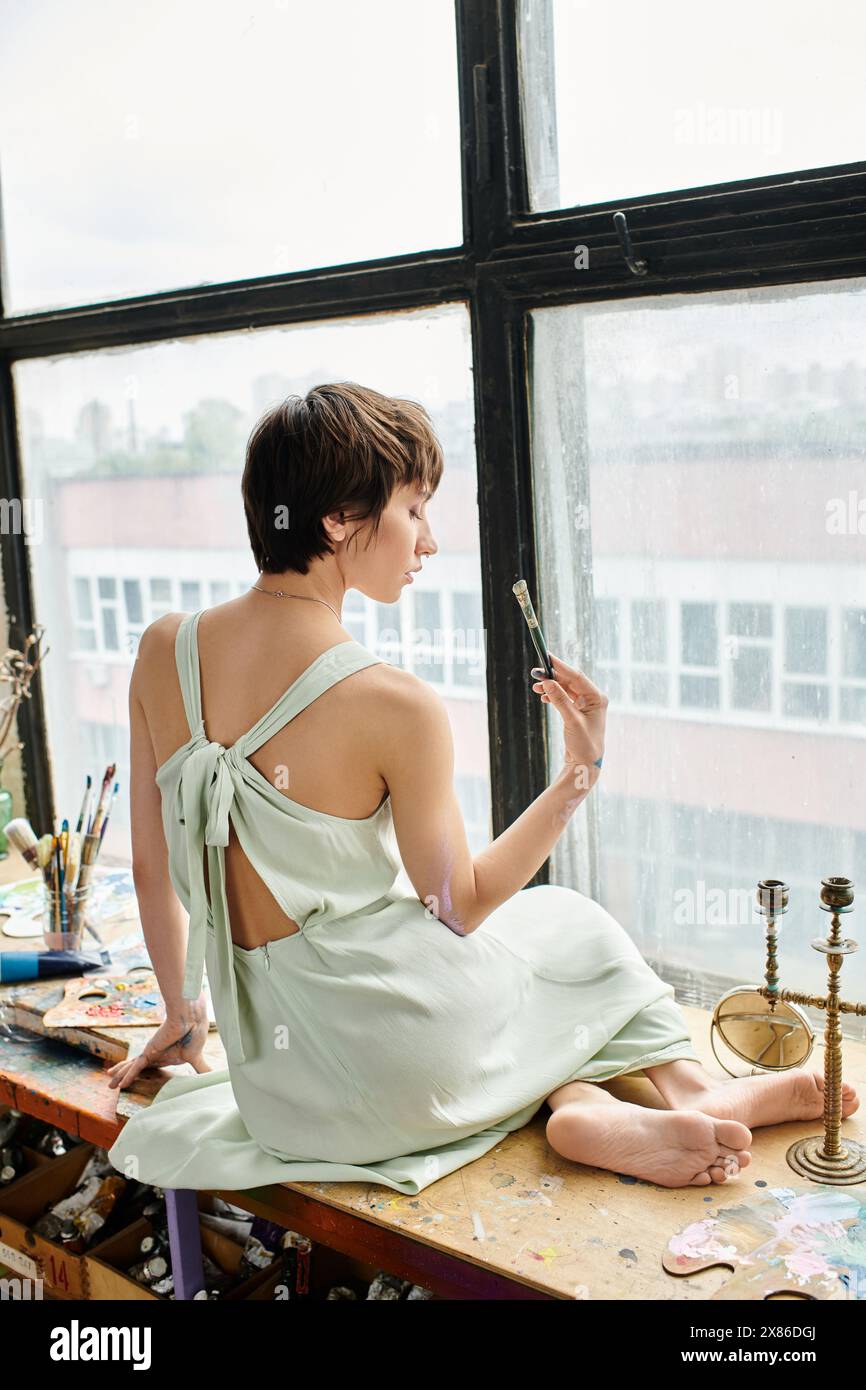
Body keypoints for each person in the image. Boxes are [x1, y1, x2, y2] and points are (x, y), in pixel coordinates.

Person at [106, 382, 858, 1196]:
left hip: (284, 1096)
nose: (428, 541)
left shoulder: (163, 651)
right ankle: (638, 1093)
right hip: (407, 1064)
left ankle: (624, 1102)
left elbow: (154, 873)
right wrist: (579, 773)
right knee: (574, 927)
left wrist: (184, 1022)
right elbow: (457, 906)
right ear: (337, 520)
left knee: (536, 968)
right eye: (415, 509)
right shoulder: (393, 703)